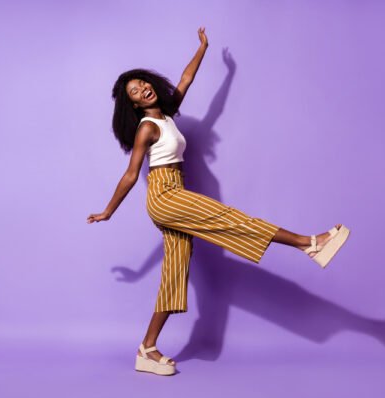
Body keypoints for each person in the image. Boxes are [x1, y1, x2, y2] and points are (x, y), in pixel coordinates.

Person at [86, 27, 350, 376]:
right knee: (228, 217)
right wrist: (108, 211)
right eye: (135, 91)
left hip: (175, 188)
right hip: (164, 195)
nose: (143, 89)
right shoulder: (147, 128)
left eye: (142, 83)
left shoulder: (167, 115)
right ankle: (310, 243)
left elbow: (186, 80)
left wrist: (204, 49)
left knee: (174, 274)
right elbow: (131, 174)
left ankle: (146, 349)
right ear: (133, 104)